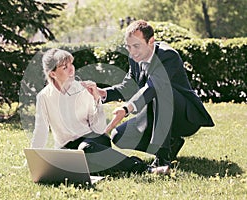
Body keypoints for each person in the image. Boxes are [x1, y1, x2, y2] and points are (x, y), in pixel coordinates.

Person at [95, 20, 215, 168]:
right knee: (119, 136)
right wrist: (103, 93)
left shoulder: (168, 55)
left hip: (183, 117)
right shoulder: (135, 57)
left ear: (151, 41)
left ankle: (163, 156)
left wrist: (126, 108)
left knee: (159, 89)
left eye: (136, 46)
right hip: (155, 114)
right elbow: (128, 86)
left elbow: (153, 87)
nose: (132, 52)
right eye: (128, 47)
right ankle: (171, 143)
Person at [30, 48, 169, 175]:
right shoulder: (43, 97)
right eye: (65, 67)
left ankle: (144, 169)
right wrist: (33, 159)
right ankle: (106, 163)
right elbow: (41, 130)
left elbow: (100, 128)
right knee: (74, 163)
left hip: (94, 141)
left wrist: (97, 99)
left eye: (71, 64)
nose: (71, 70)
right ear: (53, 73)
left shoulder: (82, 89)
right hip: (67, 147)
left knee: (86, 149)